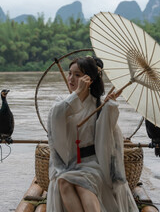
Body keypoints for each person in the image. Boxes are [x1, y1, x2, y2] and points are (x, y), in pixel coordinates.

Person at [46, 56, 138, 212]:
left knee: (83, 186)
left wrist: (109, 107)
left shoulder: (98, 104)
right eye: (70, 74)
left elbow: (106, 135)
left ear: (89, 79)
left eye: (77, 75)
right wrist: (77, 94)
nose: (71, 78)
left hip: (91, 163)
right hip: (67, 162)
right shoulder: (63, 101)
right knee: (63, 181)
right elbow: (55, 117)